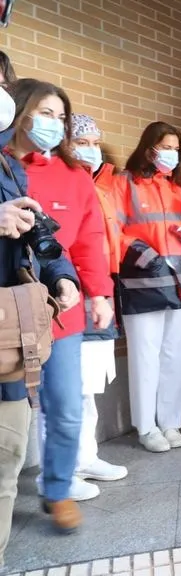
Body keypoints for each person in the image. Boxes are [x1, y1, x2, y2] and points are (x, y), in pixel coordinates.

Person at [7, 78, 115, 533]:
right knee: (9, 413)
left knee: (67, 404)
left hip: (59, 308)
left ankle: (56, 490)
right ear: (19, 111)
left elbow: (88, 239)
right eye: (45, 113)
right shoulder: (6, 167)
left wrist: (100, 292)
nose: (55, 124)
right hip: (7, 311)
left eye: (60, 116)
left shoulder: (73, 176)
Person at [0, 79, 80, 564]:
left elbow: (38, 238)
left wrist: (63, 275)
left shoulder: (9, 169)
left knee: (7, 462)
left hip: (11, 336)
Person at [115, 121, 181, 453]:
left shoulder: (180, 190)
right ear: (148, 147)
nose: (171, 154)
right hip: (142, 283)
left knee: (178, 356)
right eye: (165, 147)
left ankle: (171, 421)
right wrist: (145, 254)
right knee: (145, 356)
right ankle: (146, 427)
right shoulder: (124, 184)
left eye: (175, 149)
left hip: (180, 283)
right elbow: (115, 229)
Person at [68, 113, 128, 485]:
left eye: (95, 143)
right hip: (70, 291)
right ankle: (65, 465)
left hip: (100, 289)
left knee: (88, 383)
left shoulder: (104, 186)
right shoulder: (65, 184)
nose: (91, 150)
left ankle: (85, 456)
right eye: (82, 142)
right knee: (66, 387)